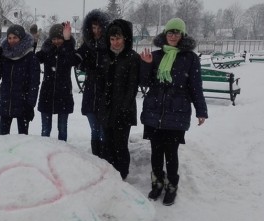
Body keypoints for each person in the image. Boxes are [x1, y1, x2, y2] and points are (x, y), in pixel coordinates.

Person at [139, 18, 208, 206]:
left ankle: (171, 185)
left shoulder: (190, 58)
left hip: (177, 111)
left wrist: (201, 110)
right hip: (154, 111)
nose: (172, 36)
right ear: (165, 34)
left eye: (176, 32)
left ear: (182, 35)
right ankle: (157, 182)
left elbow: (195, 86)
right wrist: (146, 65)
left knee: (171, 152)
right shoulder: (155, 55)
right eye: (170, 32)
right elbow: (144, 82)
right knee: (155, 151)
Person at [97, 19, 140, 181]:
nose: (115, 42)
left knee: (120, 144)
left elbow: (132, 87)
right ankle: (110, 172)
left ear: (125, 38)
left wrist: (124, 108)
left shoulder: (132, 57)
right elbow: (101, 83)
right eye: (112, 39)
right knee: (108, 143)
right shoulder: (106, 56)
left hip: (124, 110)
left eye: (118, 38)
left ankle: (122, 173)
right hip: (107, 108)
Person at [0, 24, 41, 135]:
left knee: (22, 141)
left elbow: (34, 84)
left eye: (15, 37)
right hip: (6, 104)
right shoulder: (4, 55)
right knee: (3, 139)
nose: (12, 41)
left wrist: (30, 105)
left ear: (21, 38)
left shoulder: (30, 57)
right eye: (9, 38)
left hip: (23, 105)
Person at [75, 9, 110, 158]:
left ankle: (105, 160)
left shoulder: (109, 47)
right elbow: (74, 59)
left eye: (99, 27)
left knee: (103, 130)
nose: (96, 31)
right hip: (90, 94)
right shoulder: (87, 45)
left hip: (104, 94)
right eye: (93, 28)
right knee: (94, 130)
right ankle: (96, 160)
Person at [35, 22, 79, 141]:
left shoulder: (68, 51)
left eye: (59, 38)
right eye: (54, 39)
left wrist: (68, 41)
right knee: (45, 129)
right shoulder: (47, 51)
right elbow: (33, 59)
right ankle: (45, 151)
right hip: (47, 94)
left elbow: (75, 60)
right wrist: (34, 42)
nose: (56, 41)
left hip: (63, 94)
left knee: (62, 128)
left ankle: (62, 152)